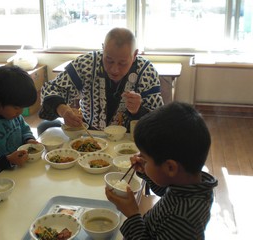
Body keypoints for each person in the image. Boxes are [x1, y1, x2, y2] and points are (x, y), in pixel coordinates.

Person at [105, 102, 218, 240]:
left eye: (145, 159)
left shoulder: (183, 218)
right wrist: (146, 172)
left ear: (170, 167)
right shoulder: (192, 184)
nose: (141, 160)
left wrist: (133, 215)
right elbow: (166, 190)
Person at [38, 27, 163, 133]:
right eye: (109, 60)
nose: (114, 69)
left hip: (129, 141)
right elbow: (51, 89)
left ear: (135, 55)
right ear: (103, 48)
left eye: (122, 63)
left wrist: (138, 110)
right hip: (89, 134)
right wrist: (63, 110)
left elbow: (158, 120)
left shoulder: (146, 72)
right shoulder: (86, 63)